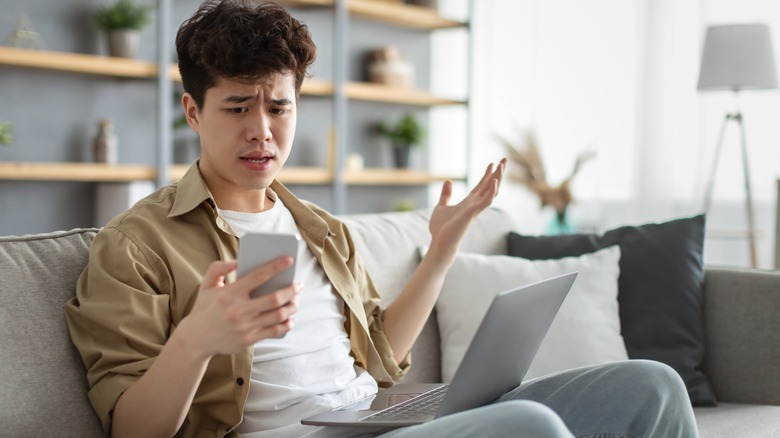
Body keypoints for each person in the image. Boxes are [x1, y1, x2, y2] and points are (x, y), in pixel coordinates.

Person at [65, 1, 699, 437]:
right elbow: (133, 429)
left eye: (279, 108)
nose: (262, 131)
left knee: (654, 386)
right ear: (193, 112)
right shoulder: (136, 245)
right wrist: (198, 338)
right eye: (236, 108)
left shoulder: (317, 227)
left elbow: (378, 357)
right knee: (528, 428)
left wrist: (441, 250)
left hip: (372, 421)